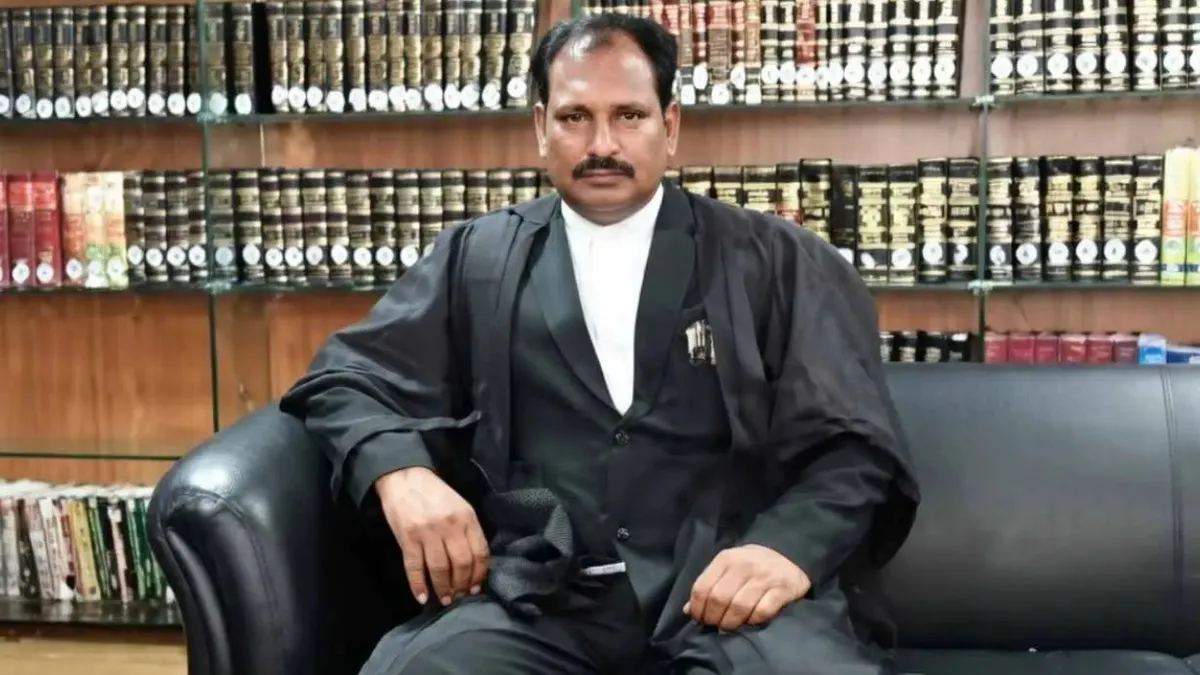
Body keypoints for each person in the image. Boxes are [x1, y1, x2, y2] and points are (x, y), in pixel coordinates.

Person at [280, 13, 920, 675]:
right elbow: (345, 380)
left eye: (629, 116)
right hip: (544, 595)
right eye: (575, 117)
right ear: (541, 127)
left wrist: (784, 550)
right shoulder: (475, 258)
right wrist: (401, 474)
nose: (602, 143)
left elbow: (856, 447)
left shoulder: (778, 261)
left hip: (728, 591)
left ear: (670, 125)